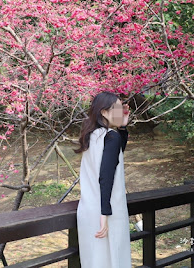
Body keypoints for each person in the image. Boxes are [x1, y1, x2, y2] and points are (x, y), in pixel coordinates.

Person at [75, 91, 131, 267]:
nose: (120, 112)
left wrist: (122, 127)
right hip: (106, 212)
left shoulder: (92, 136)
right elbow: (106, 176)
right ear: (104, 112)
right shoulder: (110, 137)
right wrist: (105, 214)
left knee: (94, 261)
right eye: (117, 108)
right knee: (113, 259)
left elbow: (114, 157)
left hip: (88, 209)